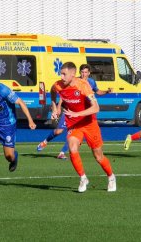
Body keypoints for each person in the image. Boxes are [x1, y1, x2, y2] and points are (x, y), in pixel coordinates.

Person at [51, 62, 116, 193]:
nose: (61, 77)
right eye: (61, 74)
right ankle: (83, 178)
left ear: (73, 74)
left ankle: (111, 177)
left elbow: (96, 107)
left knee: (98, 157)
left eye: (64, 74)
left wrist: (77, 113)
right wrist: (55, 108)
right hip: (74, 124)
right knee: (72, 147)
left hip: (89, 123)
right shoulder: (58, 85)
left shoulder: (83, 86)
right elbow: (52, 92)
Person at [36, 64, 113, 159]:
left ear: (89, 73)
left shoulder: (91, 82)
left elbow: (97, 92)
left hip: (82, 114)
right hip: (70, 111)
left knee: (75, 135)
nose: (84, 74)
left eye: (86, 72)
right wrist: (58, 107)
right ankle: (45, 141)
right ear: (79, 72)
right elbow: (63, 95)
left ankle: (62, 153)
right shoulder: (73, 81)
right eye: (82, 72)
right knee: (59, 131)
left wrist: (106, 91)